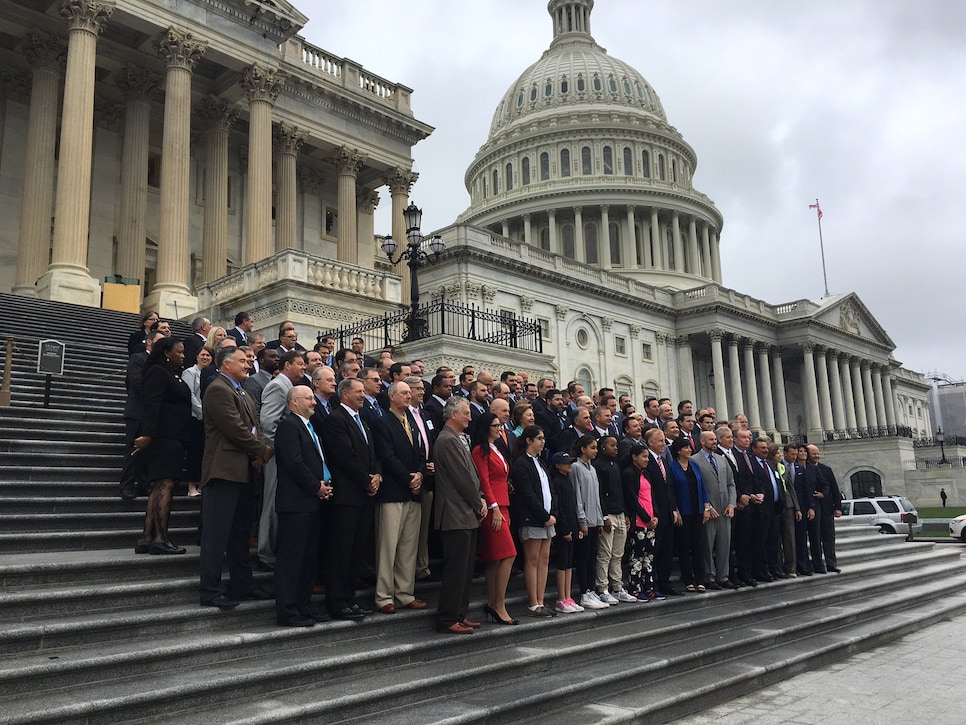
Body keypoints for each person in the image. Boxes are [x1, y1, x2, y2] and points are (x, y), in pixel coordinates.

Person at [198, 347, 273, 609]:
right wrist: (261, 450)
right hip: (223, 471)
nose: (247, 364)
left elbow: (257, 427)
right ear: (226, 363)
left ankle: (243, 584)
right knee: (217, 534)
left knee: (240, 534)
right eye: (242, 360)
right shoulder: (218, 389)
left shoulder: (241, 390)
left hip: (244, 470)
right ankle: (210, 589)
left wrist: (259, 451)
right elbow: (234, 428)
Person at [320, 377, 382, 621]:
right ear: (345, 394)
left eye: (363, 392)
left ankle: (349, 598)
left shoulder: (363, 421)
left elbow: (373, 454)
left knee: (356, 551)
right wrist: (366, 480)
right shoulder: (335, 420)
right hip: (346, 497)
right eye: (358, 392)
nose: (362, 395)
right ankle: (337, 601)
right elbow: (345, 457)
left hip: (364, 496)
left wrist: (377, 475)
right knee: (341, 551)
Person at [273, 386, 332, 627]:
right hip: (295, 503)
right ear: (294, 402)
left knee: (308, 559)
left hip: (312, 502)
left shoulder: (309, 426)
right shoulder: (289, 425)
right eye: (308, 399)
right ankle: (288, 610)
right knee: (292, 559)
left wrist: (325, 484)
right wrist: (315, 486)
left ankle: (303, 605)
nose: (314, 402)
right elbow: (294, 462)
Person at [432, 397, 487, 634]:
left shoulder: (456, 439)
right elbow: (461, 478)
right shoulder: (446, 440)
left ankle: (460, 614)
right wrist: (479, 503)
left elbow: (471, 476)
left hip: (465, 514)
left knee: (465, 570)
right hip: (455, 514)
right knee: (456, 570)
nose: (470, 417)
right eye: (465, 413)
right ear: (452, 414)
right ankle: (447, 618)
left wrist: (481, 498)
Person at [372, 381, 428, 614]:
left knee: (408, 547)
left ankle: (405, 593)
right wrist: (409, 478)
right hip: (393, 493)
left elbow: (421, 453)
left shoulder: (413, 422)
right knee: (388, 546)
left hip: (413, 493)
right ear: (392, 396)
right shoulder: (382, 422)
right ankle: (384, 596)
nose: (409, 396)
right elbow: (387, 455)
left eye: (410, 392)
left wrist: (420, 475)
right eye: (404, 392)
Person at [133, 337, 192, 555]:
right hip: (165, 437)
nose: (183, 356)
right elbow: (152, 403)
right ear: (167, 352)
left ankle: (147, 538)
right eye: (179, 352)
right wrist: (148, 433)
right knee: (165, 485)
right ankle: (160, 538)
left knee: (160, 485)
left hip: (173, 436)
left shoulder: (170, 374)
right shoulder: (158, 372)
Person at [471, 412, 517, 625]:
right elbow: (484, 481)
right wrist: (494, 507)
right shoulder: (480, 450)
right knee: (508, 554)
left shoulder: (496, 448)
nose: (500, 429)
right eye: (495, 425)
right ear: (486, 427)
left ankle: (493, 602)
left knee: (497, 557)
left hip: (504, 504)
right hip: (493, 508)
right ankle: (499, 603)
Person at [510, 425, 557, 618]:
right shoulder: (522, 463)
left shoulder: (540, 462)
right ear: (529, 440)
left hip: (547, 517)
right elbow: (528, 494)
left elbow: (550, 489)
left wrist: (552, 513)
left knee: (544, 559)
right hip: (533, 518)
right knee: (533, 559)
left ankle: (541, 600)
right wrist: (544, 516)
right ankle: (533, 603)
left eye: (544, 438)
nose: (543, 442)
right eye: (539, 438)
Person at [593, 435, 638, 603]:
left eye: (616, 445)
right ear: (603, 447)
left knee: (618, 554)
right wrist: (604, 516)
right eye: (612, 445)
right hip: (608, 514)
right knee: (605, 553)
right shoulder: (599, 465)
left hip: (620, 512)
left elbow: (621, 491)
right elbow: (600, 493)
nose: (616, 448)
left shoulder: (616, 465)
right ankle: (602, 587)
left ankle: (617, 587)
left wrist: (626, 513)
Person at [690, 431, 737, 589]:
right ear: (702, 441)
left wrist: (732, 504)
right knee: (707, 546)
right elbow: (695, 487)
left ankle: (723, 576)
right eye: (711, 440)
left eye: (715, 439)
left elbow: (731, 483)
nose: (714, 442)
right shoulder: (694, 460)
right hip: (708, 511)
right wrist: (707, 506)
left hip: (725, 509)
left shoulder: (721, 460)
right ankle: (709, 577)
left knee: (725, 545)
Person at [667, 436, 711, 592]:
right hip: (683, 512)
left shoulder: (694, 465)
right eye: (686, 447)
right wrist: (675, 509)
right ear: (679, 451)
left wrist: (706, 507)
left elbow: (702, 487)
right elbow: (671, 490)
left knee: (698, 546)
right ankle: (688, 580)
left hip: (697, 510)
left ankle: (701, 579)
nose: (689, 449)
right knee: (684, 546)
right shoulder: (672, 467)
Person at [621, 444, 659, 601]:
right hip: (639, 521)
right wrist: (646, 517)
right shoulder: (629, 473)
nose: (646, 460)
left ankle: (648, 586)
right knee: (636, 556)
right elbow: (632, 499)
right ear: (634, 457)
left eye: (648, 457)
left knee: (648, 556)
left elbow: (652, 496)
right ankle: (635, 588)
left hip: (651, 521)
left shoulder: (646, 474)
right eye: (644, 456)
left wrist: (655, 515)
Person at [548, 452, 583, 613]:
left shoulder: (567, 480)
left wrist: (576, 529)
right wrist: (565, 530)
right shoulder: (556, 482)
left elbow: (572, 507)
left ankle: (568, 596)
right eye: (566, 462)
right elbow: (560, 508)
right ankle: (561, 598)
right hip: (563, 529)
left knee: (569, 563)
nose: (569, 465)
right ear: (557, 465)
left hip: (571, 527)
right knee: (562, 564)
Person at [804, 444, 843, 574]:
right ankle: (818, 565)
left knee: (829, 537)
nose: (817, 456)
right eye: (814, 453)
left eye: (818, 453)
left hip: (827, 508)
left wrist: (838, 507)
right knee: (815, 538)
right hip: (813, 508)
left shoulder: (826, 469)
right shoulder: (805, 468)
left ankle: (831, 564)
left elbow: (834, 489)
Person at [181, 345, 213, 497]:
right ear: (197, 356)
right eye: (203, 355)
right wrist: (202, 411)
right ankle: (191, 486)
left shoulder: (210, 374)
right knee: (194, 452)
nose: (205, 357)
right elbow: (190, 394)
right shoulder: (190, 372)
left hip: (206, 419)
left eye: (208, 355)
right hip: (195, 418)